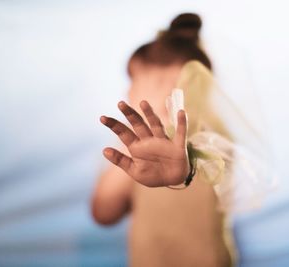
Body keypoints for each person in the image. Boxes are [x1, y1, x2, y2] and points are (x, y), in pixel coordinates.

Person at [91, 13, 233, 267]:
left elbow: (218, 167)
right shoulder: (135, 149)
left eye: (135, 81)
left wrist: (186, 169)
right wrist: (130, 150)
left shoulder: (213, 138)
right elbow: (103, 214)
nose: (128, 91)